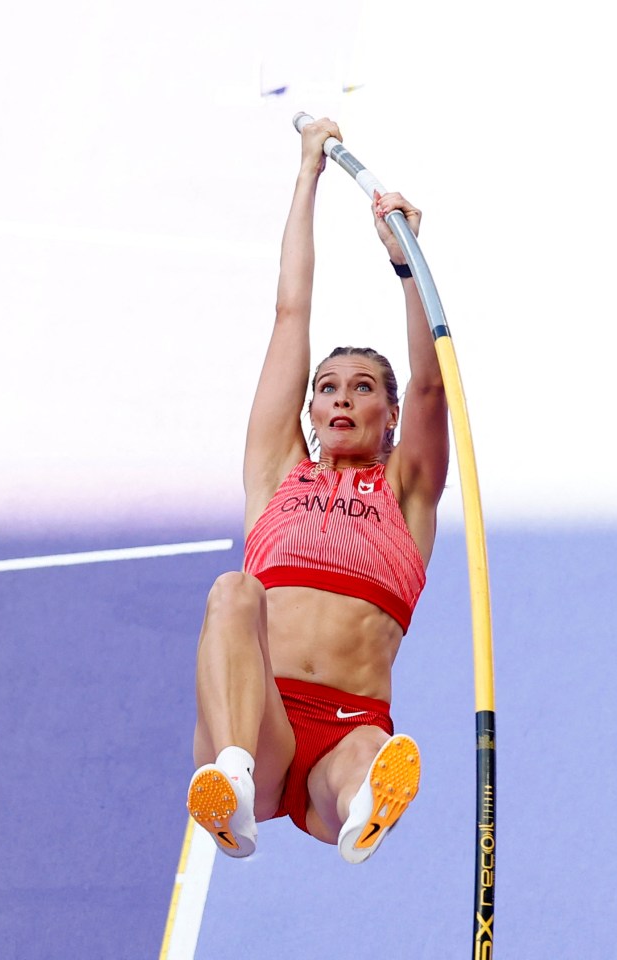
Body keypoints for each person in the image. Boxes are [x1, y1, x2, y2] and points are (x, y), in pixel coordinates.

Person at [187, 117, 449, 864]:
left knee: (372, 752)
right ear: (309, 409)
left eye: (362, 388)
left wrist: (407, 267)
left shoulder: (409, 491)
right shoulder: (278, 472)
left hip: (347, 719)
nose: (339, 399)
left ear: (388, 414)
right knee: (233, 593)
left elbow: (432, 386)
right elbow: (289, 313)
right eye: (327, 388)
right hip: (256, 718)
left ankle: (364, 806)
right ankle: (234, 785)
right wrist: (307, 176)